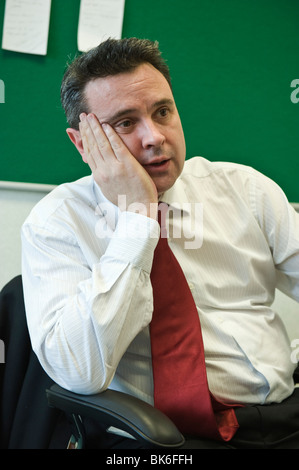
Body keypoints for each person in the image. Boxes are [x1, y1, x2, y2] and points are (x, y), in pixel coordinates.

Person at [21, 37, 299, 449]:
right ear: (83, 144)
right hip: (154, 442)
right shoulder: (57, 222)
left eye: (162, 112)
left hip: (282, 419)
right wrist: (137, 219)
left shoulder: (246, 190)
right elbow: (76, 370)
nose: (154, 137)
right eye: (126, 123)